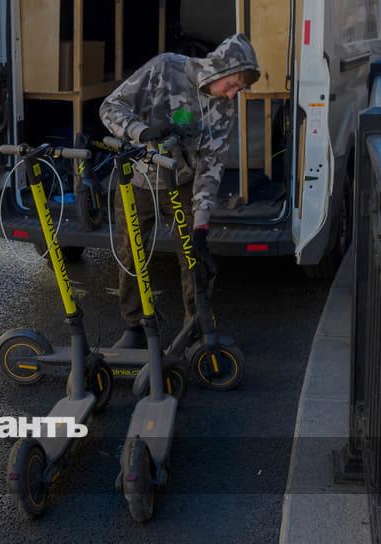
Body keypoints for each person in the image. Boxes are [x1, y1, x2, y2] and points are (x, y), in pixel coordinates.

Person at [99, 34, 260, 349]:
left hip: (182, 181)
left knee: (192, 257)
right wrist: (142, 131)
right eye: (232, 85)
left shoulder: (224, 109)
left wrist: (201, 225)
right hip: (138, 179)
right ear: (217, 69)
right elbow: (110, 107)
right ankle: (134, 326)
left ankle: (194, 328)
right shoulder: (165, 68)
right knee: (131, 253)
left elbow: (211, 165)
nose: (232, 95)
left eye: (239, 90)